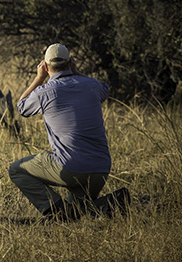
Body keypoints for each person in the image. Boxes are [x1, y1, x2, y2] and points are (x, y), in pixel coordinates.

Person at [8, 43, 112, 222]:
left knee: (16, 170)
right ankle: (112, 203)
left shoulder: (44, 92)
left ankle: (57, 213)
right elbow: (105, 90)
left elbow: (22, 108)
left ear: (46, 66)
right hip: (101, 170)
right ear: (71, 62)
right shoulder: (91, 85)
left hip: (71, 169)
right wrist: (77, 73)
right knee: (78, 215)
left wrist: (38, 78)